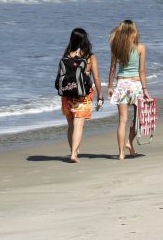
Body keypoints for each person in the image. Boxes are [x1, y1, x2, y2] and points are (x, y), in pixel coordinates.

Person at [107, 20, 151, 160]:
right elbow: (142, 71)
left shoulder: (116, 48)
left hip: (121, 85)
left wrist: (110, 87)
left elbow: (112, 68)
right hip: (136, 85)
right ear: (133, 32)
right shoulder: (140, 48)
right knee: (138, 119)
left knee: (122, 120)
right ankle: (129, 142)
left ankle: (121, 153)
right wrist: (145, 90)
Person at [60, 28, 102, 163]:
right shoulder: (90, 57)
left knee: (71, 125)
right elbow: (96, 78)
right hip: (83, 96)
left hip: (67, 95)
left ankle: (74, 149)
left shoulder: (67, 54)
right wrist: (100, 95)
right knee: (78, 125)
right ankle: (74, 154)